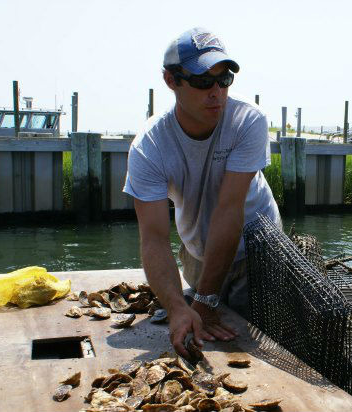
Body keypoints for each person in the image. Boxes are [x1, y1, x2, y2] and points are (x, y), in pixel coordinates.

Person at [123, 28, 280, 358]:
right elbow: (153, 238)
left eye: (224, 80)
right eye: (202, 81)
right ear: (171, 80)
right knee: (190, 318)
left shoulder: (248, 122)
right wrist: (179, 307)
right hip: (197, 251)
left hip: (258, 252)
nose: (216, 92)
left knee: (252, 341)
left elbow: (229, 209)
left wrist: (206, 300)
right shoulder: (149, 148)